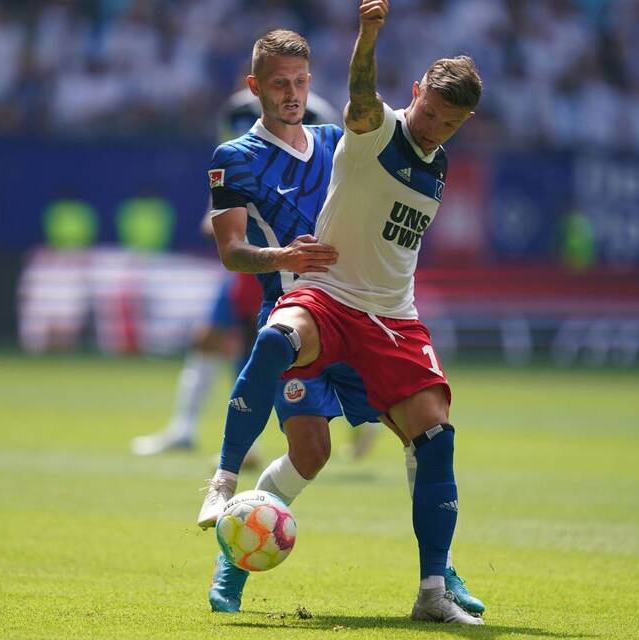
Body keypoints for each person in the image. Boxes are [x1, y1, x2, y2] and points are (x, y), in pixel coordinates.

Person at [198, 18, 485, 623]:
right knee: (310, 450)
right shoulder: (237, 157)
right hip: (305, 307)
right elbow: (229, 252)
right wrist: (284, 257)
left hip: (373, 315)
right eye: (280, 83)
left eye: (301, 80)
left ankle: (440, 569)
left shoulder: (338, 139)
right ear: (256, 86)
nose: (293, 93)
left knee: (427, 435)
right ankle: (233, 543)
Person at [129, 87, 339, 458]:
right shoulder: (238, 120)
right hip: (250, 262)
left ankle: (259, 440)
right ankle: (186, 427)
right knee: (210, 338)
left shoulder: (318, 119)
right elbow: (231, 178)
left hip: (287, 265)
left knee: (266, 351)